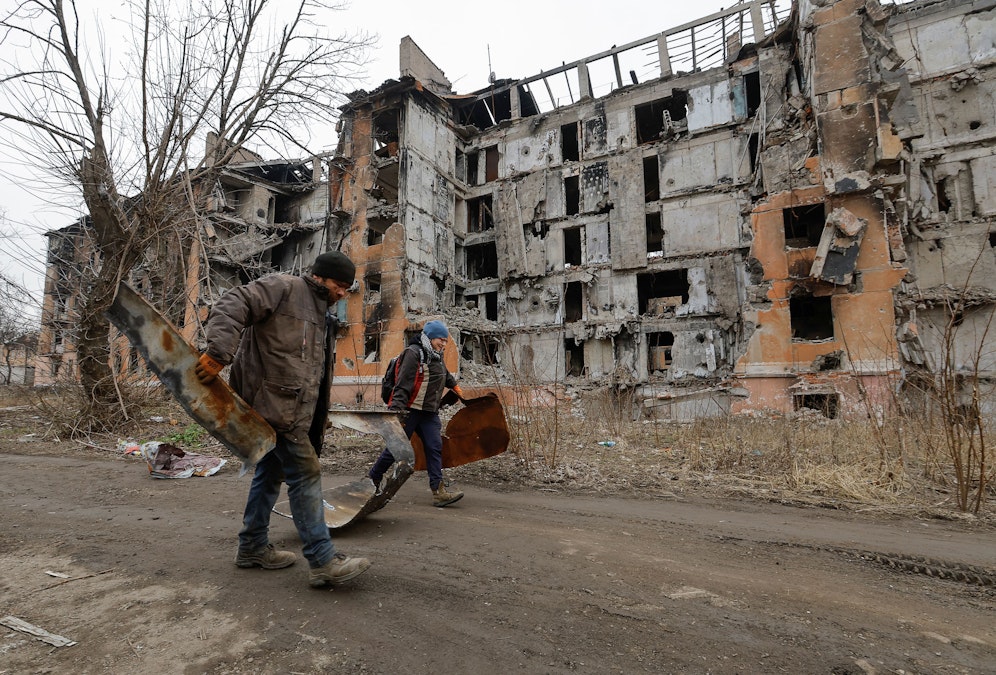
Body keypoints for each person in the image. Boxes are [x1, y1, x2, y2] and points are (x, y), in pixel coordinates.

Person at [194, 250, 371, 588]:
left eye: (347, 288)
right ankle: (322, 560)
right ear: (320, 277)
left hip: (291, 410)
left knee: (270, 473)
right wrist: (218, 352)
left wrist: (319, 416)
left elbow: (310, 372)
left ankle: (252, 547)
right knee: (306, 474)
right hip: (272, 407)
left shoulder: (323, 316)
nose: (342, 293)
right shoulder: (284, 288)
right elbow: (234, 302)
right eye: (339, 285)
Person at [368, 320, 465, 507]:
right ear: (429, 337)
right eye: (440, 339)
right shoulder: (413, 353)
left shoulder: (437, 354)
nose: (443, 344)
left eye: (446, 341)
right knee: (397, 449)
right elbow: (403, 385)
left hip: (429, 413)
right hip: (409, 411)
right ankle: (372, 479)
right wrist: (397, 413)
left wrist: (456, 388)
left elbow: (444, 374)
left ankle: (438, 491)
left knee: (434, 447)